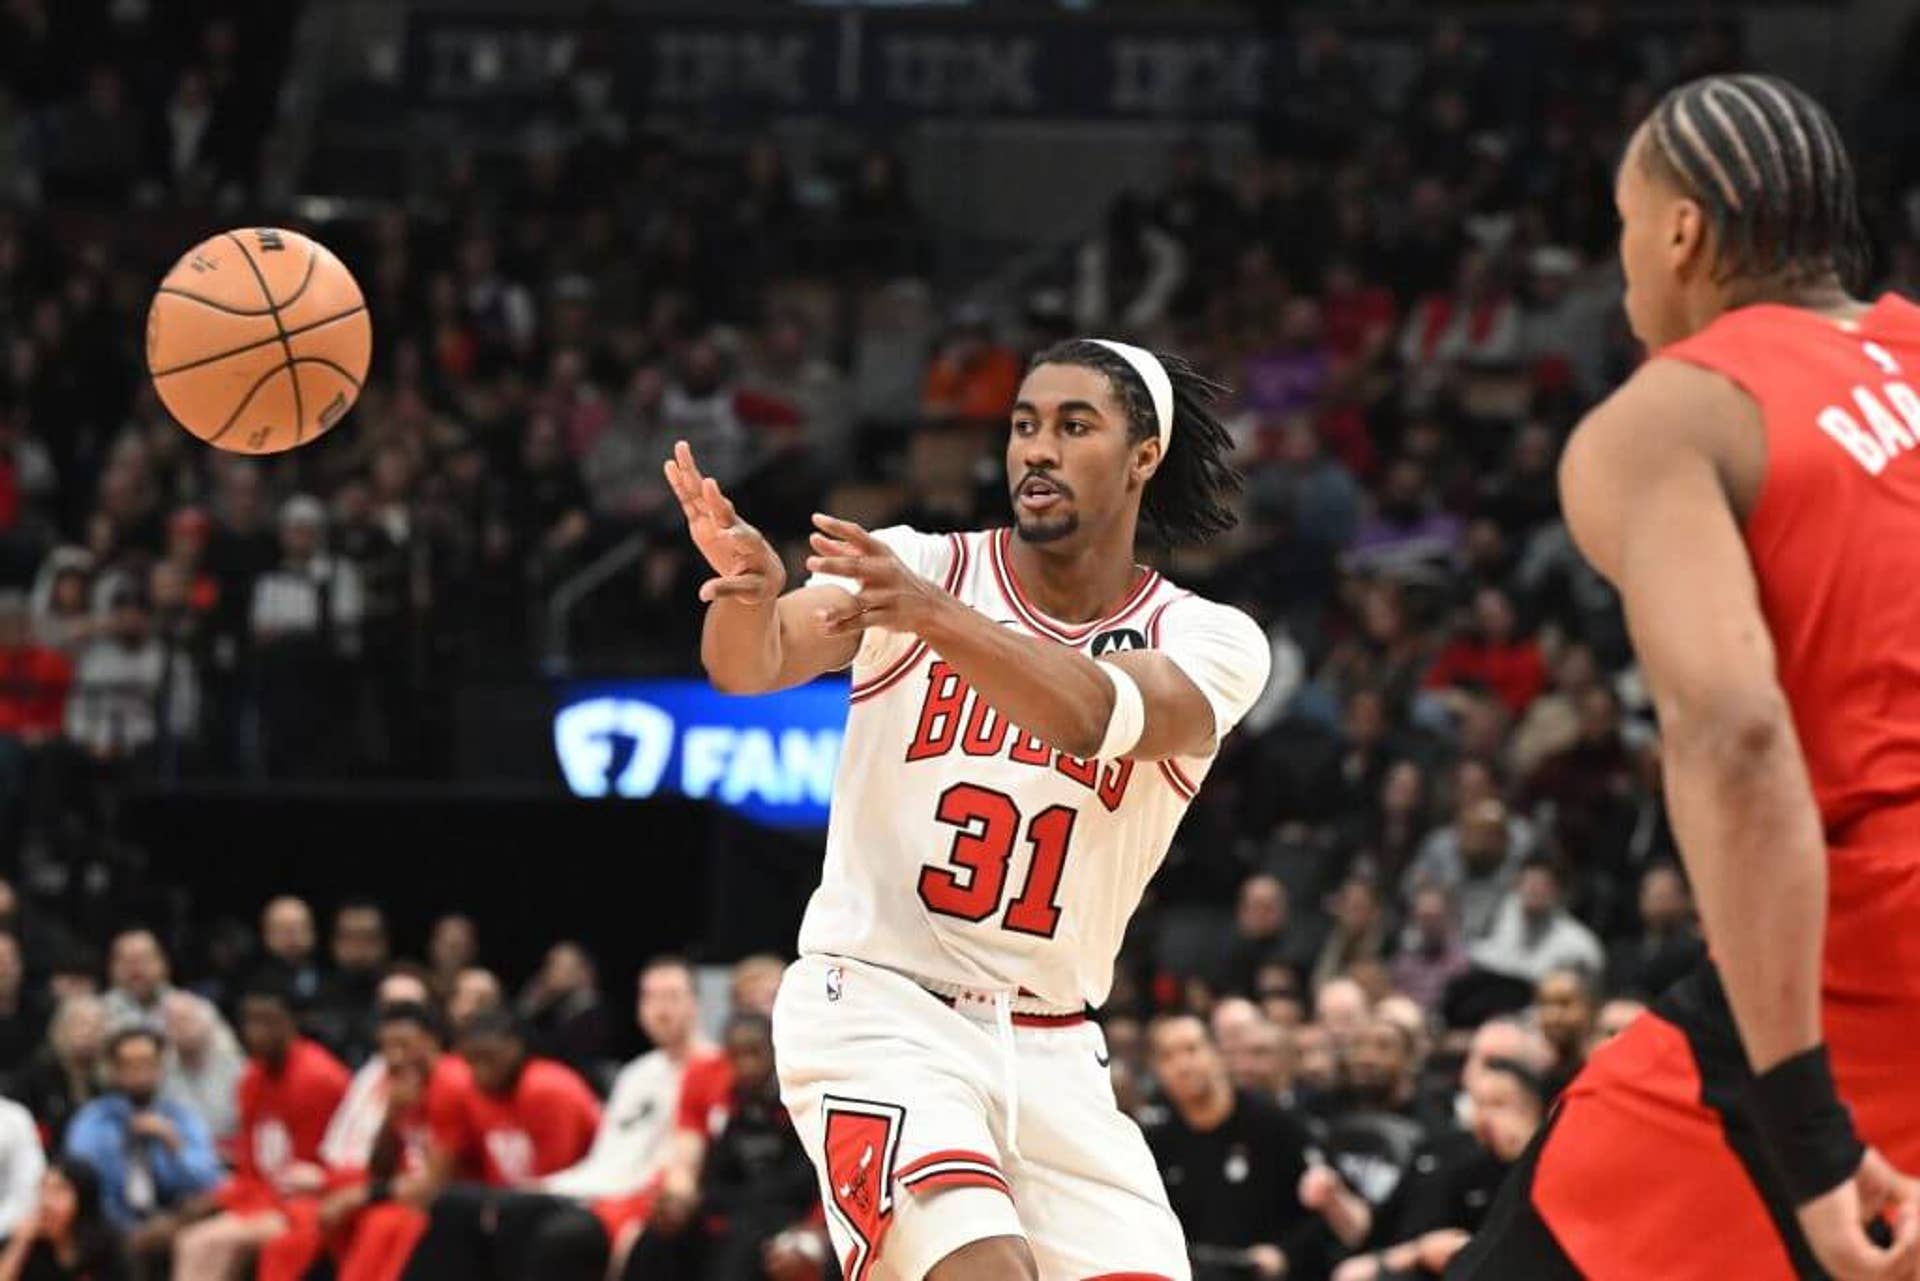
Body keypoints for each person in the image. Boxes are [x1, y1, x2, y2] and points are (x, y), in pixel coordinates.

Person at [672, 334, 1271, 1280]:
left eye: (1076, 426)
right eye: (1025, 424)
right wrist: (748, 597)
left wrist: (931, 615)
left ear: (1143, 456)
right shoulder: (914, 567)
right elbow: (751, 663)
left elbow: (1091, 714)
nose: (1038, 448)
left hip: (1055, 1044)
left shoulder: (1208, 638)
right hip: (880, 1009)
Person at [1453, 75, 1920, 1281]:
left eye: (1622, 226)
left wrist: (1806, 1133)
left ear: (1680, 232)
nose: (1622, 270)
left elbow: (1736, 734)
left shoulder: (1669, 419)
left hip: (1869, 949)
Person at [488, 956, 724, 1280]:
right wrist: (551, 1185)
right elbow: (606, 1156)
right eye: (650, 997)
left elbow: (688, 1162)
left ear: (695, 1003)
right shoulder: (635, 1073)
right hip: (601, 1187)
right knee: (511, 1212)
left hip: (651, 1197)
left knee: (558, 1237)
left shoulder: (715, 1068)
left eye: (671, 996)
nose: (660, 1009)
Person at [170, 976, 350, 1281]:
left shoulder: (321, 1078)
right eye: (250, 1023)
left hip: (308, 1202)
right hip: (263, 1194)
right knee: (191, 1238)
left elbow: (323, 1166)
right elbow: (250, 1164)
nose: (256, 1033)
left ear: (290, 1022)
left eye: (267, 1022)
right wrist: (223, 1197)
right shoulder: (251, 1077)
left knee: (203, 1244)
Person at [621, 1013, 820, 1281]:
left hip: (784, 1216)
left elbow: (808, 1183)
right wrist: (685, 1203)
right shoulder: (727, 1107)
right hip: (729, 1209)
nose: (746, 1066)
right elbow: (706, 1172)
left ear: (774, 1052)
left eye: (754, 1053)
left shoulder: (800, 1102)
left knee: (739, 1247)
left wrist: (811, 1233)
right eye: (736, 1056)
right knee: (654, 1239)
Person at [1140, 1014, 1325, 1280]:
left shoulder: (1274, 1123)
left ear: (1217, 1054)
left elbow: (1318, 1213)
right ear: (1157, 1070)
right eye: (1167, 1057)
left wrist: (1284, 1254)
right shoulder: (1156, 1143)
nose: (1182, 1065)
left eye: (1192, 1050)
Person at [63, 1028, 221, 1239]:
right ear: (114, 1071)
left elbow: (209, 1180)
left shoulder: (180, 1119)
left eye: (148, 1063)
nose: (140, 1072)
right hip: (111, 1227)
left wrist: (173, 1142)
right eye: (130, 1065)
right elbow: (83, 1185)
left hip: (171, 1221)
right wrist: (121, 1142)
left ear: (160, 1068)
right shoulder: (93, 1121)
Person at [0, 1160, 130, 1281]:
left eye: (58, 1191)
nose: (46, 1202)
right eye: (43, 1190)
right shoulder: (25, 1245)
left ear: (83, 1199)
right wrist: (19, 1244)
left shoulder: (110, 1249)